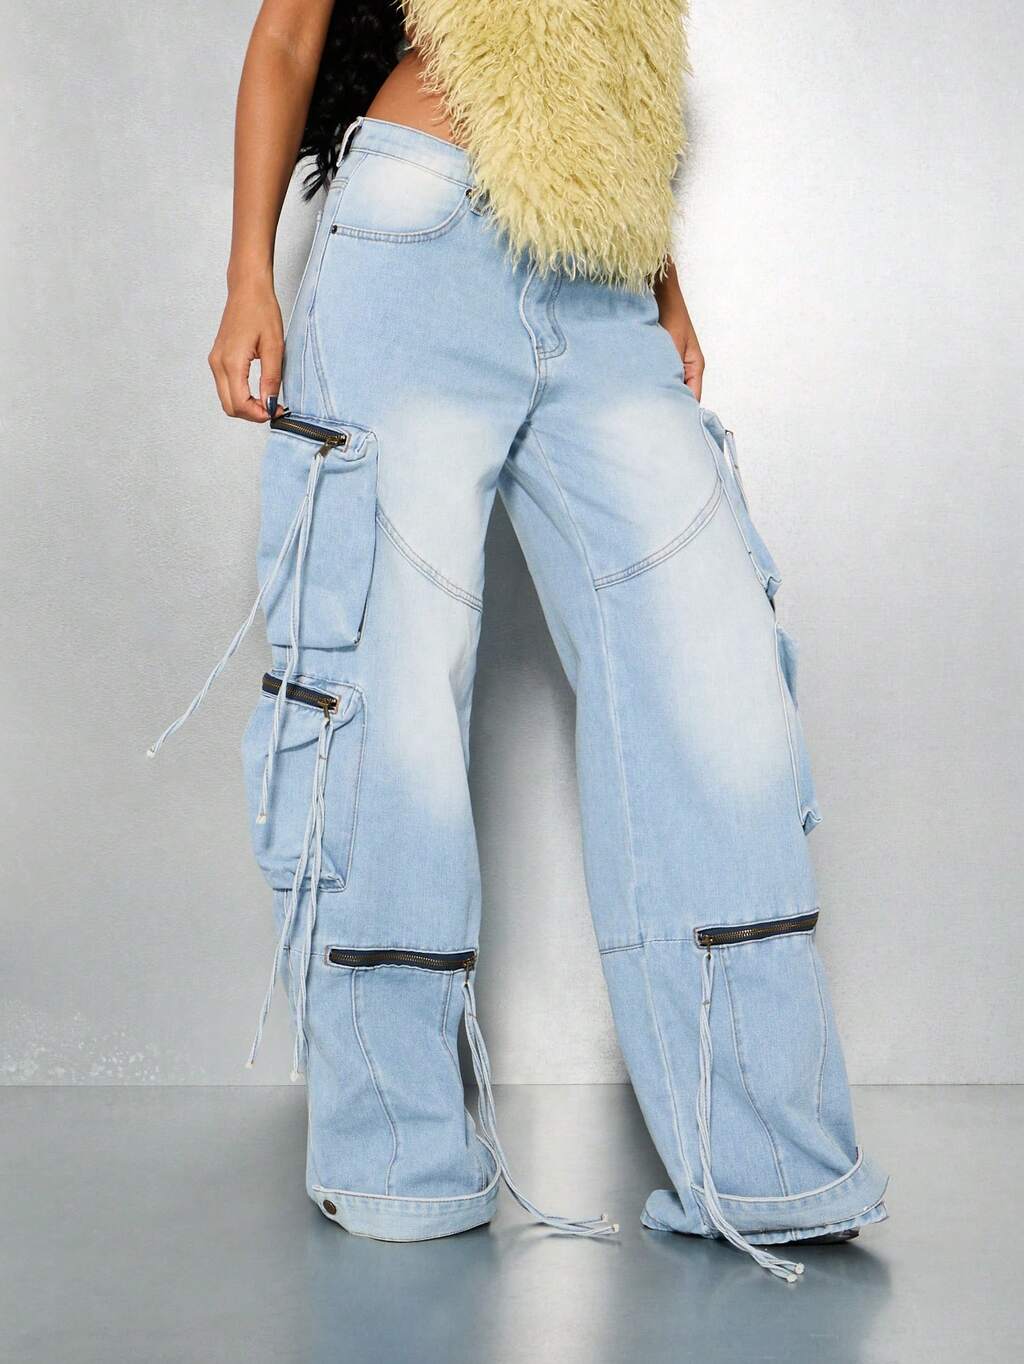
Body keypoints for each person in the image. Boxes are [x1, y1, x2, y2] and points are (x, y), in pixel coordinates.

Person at [151, 1, 888, 1277]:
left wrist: (662, 281)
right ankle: (397, 1162)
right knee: (384, 691)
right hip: (416, 233)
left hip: (601, 278)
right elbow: (286, 38)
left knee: (717, 694)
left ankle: (770, 1165)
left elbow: (609, 74)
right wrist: (247, 276)